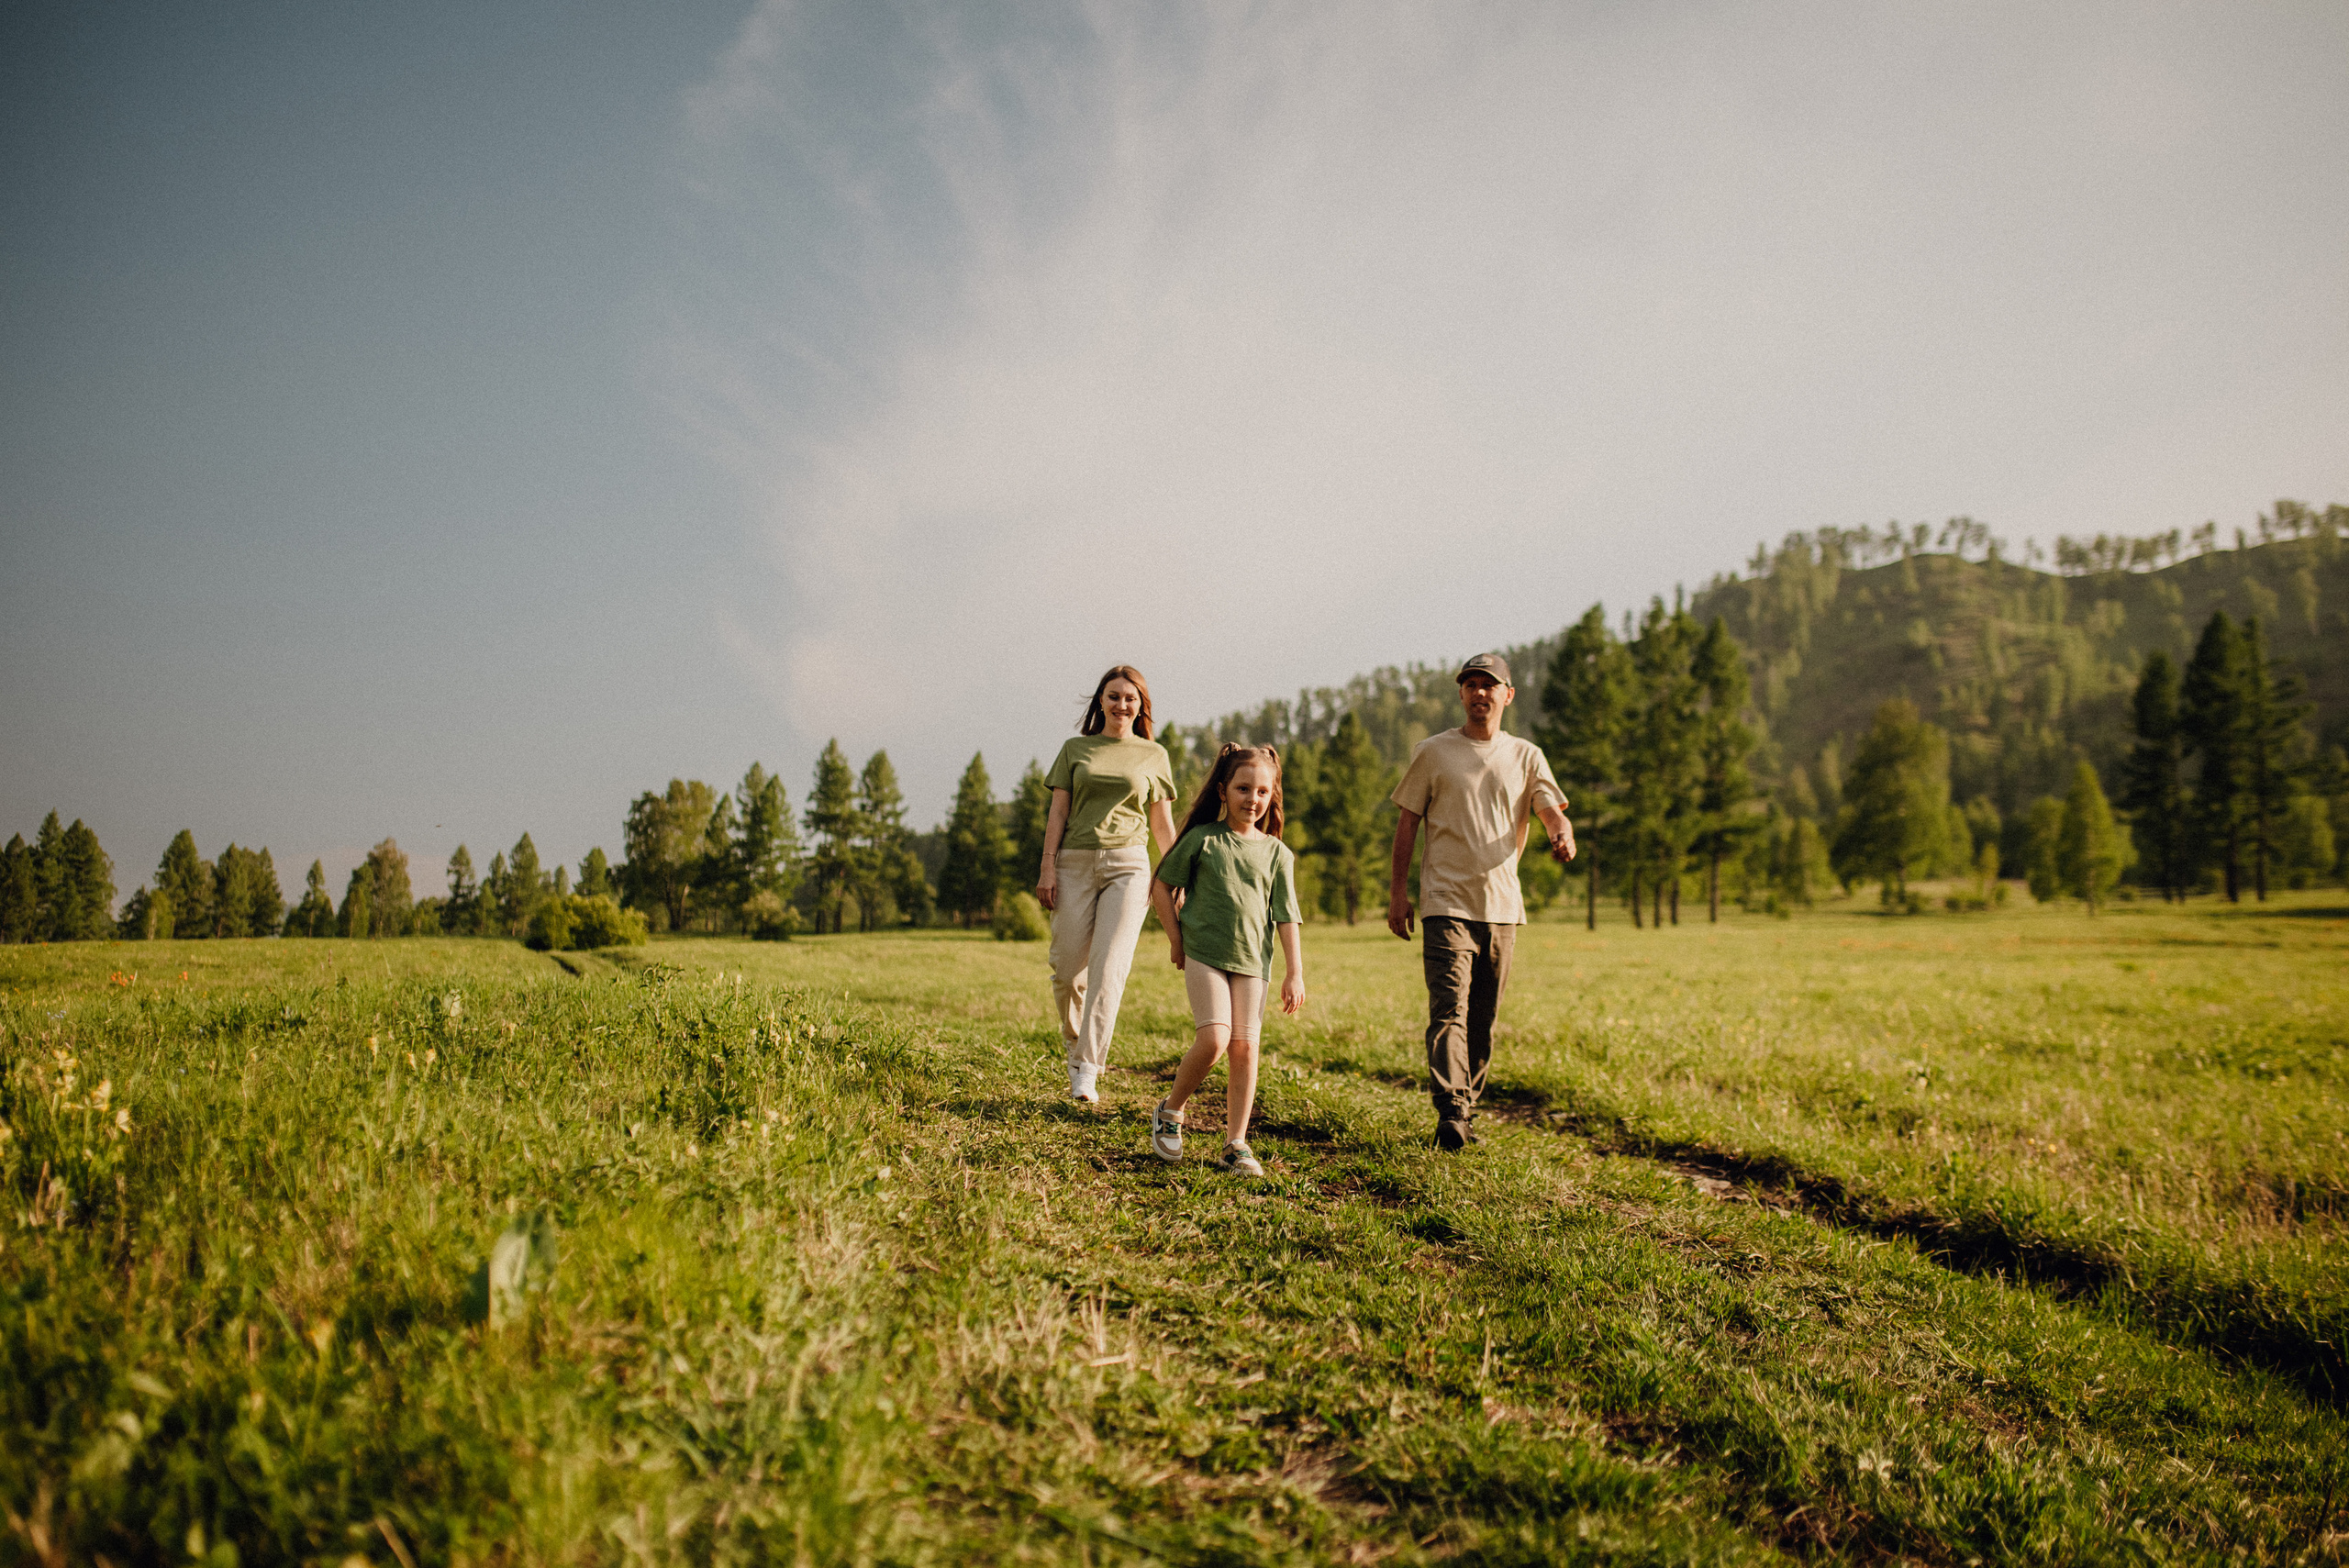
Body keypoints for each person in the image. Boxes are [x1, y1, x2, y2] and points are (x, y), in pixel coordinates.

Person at [1387, 653, 1575, 1151]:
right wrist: (1397, 894)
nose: (1479, 693)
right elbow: (1407, 823)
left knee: (1481, 1020)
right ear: (1462, 695)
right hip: (1445, 901)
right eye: (1470, 685)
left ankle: (1466, 1108)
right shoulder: (1433, 752)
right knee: (1449, 1009)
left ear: (1507, 695)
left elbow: (1550, 809)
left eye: (1489, 686)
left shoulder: (1527, 755)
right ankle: (1452, 1109)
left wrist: (1561, 833)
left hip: (1501, 907)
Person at [1146, 744, 1304, 1177]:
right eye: (1242, 788)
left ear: (1272, 797)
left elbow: (1287, 915)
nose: (1251, 799)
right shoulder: (1202, 840)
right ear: (1222, 790)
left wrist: (1295, 972)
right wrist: (1176, 940)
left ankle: (1235, 1143)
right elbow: (1161, 886)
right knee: (1216, 1038)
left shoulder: (1277, 854)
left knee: (1245, 1046)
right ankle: (1171, 1110)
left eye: (1261, 791)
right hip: (1205, 955)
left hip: (1254, 962)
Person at [1039, 665, 1179, 1102]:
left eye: (1130, 698)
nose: (1122, 704)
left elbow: (1162, 825)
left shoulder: (1153, 755)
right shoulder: (1075, 749)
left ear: (1141, 707)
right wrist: (1047, 868)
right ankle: (1075, 1042)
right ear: (1100, 700)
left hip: (1130, 867)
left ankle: (1087, 1068)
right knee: (1067, 972)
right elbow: (1058, 813)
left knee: (1109, 968)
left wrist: (1175, 876)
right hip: (1074, 864)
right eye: (1114, 696)